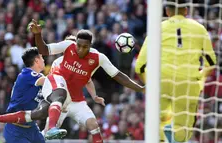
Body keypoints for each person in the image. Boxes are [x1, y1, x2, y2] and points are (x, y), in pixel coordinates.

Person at [29, 19, 144, 142]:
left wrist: (140, 88)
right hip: (60, 99)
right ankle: (46, 131)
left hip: (77, 100)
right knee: (46, 135)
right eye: (78, 45)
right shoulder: (68, 47)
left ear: (90, 46)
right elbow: (44, 50)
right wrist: (37, 35)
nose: (80, 49)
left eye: (85, 47)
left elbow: (118, 76)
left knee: (94, 126)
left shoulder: (98, 58)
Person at [135, 0, 216, 142]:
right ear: (186, 10)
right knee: (182, 126)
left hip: (162, 80)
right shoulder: (199, 29)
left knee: (158, 124)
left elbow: (140, 66)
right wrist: (200, 80)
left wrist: (150, 85)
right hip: (187, 82)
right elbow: (211, 63)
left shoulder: (157, 28)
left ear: (167, 11)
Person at [0, 47, 48, 143]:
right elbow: (50, 81)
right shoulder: (27, 74)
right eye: (41, 58)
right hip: (16, 129)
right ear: (36, 60)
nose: (44, 60)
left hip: (31, 127)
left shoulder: (36, 79)